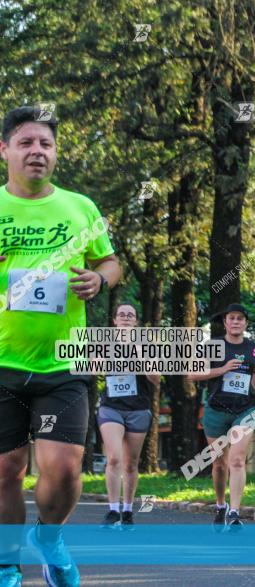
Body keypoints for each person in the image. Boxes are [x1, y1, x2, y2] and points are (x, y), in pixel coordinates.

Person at [0, 105, 121, 587]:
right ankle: (8, 563)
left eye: (45, 144)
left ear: (55, 154)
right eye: (26, 142)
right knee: (5, 469)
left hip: (65, 363)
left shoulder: (80, 207)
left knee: (65, 471)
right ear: (4, 150)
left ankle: (48, 539)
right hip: (1, 363)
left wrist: (98, 278)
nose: (37, 151)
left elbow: (111, 263)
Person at [187, 303, 255, 531]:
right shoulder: (213, 346)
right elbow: (192, 374)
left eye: (240, 318)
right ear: (225, 322)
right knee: (219, 464)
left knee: (237, 460)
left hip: (245, 409)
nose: (236, 321)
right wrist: (223, 369)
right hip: (217, 410)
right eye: (232, 318)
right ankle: (220, 504)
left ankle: (235, 512)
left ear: (245, 323)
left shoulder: (253, 348)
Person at [97, 303, 160, 528]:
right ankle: (113, 509)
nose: (125, 318)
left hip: (138, 409)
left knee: (131, 463)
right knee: (114, 457)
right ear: (114, 321)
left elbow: (156, 378)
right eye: (121, 315)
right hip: (111, 407)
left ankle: (128, 509)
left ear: (135, 322)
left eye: (130, 315)